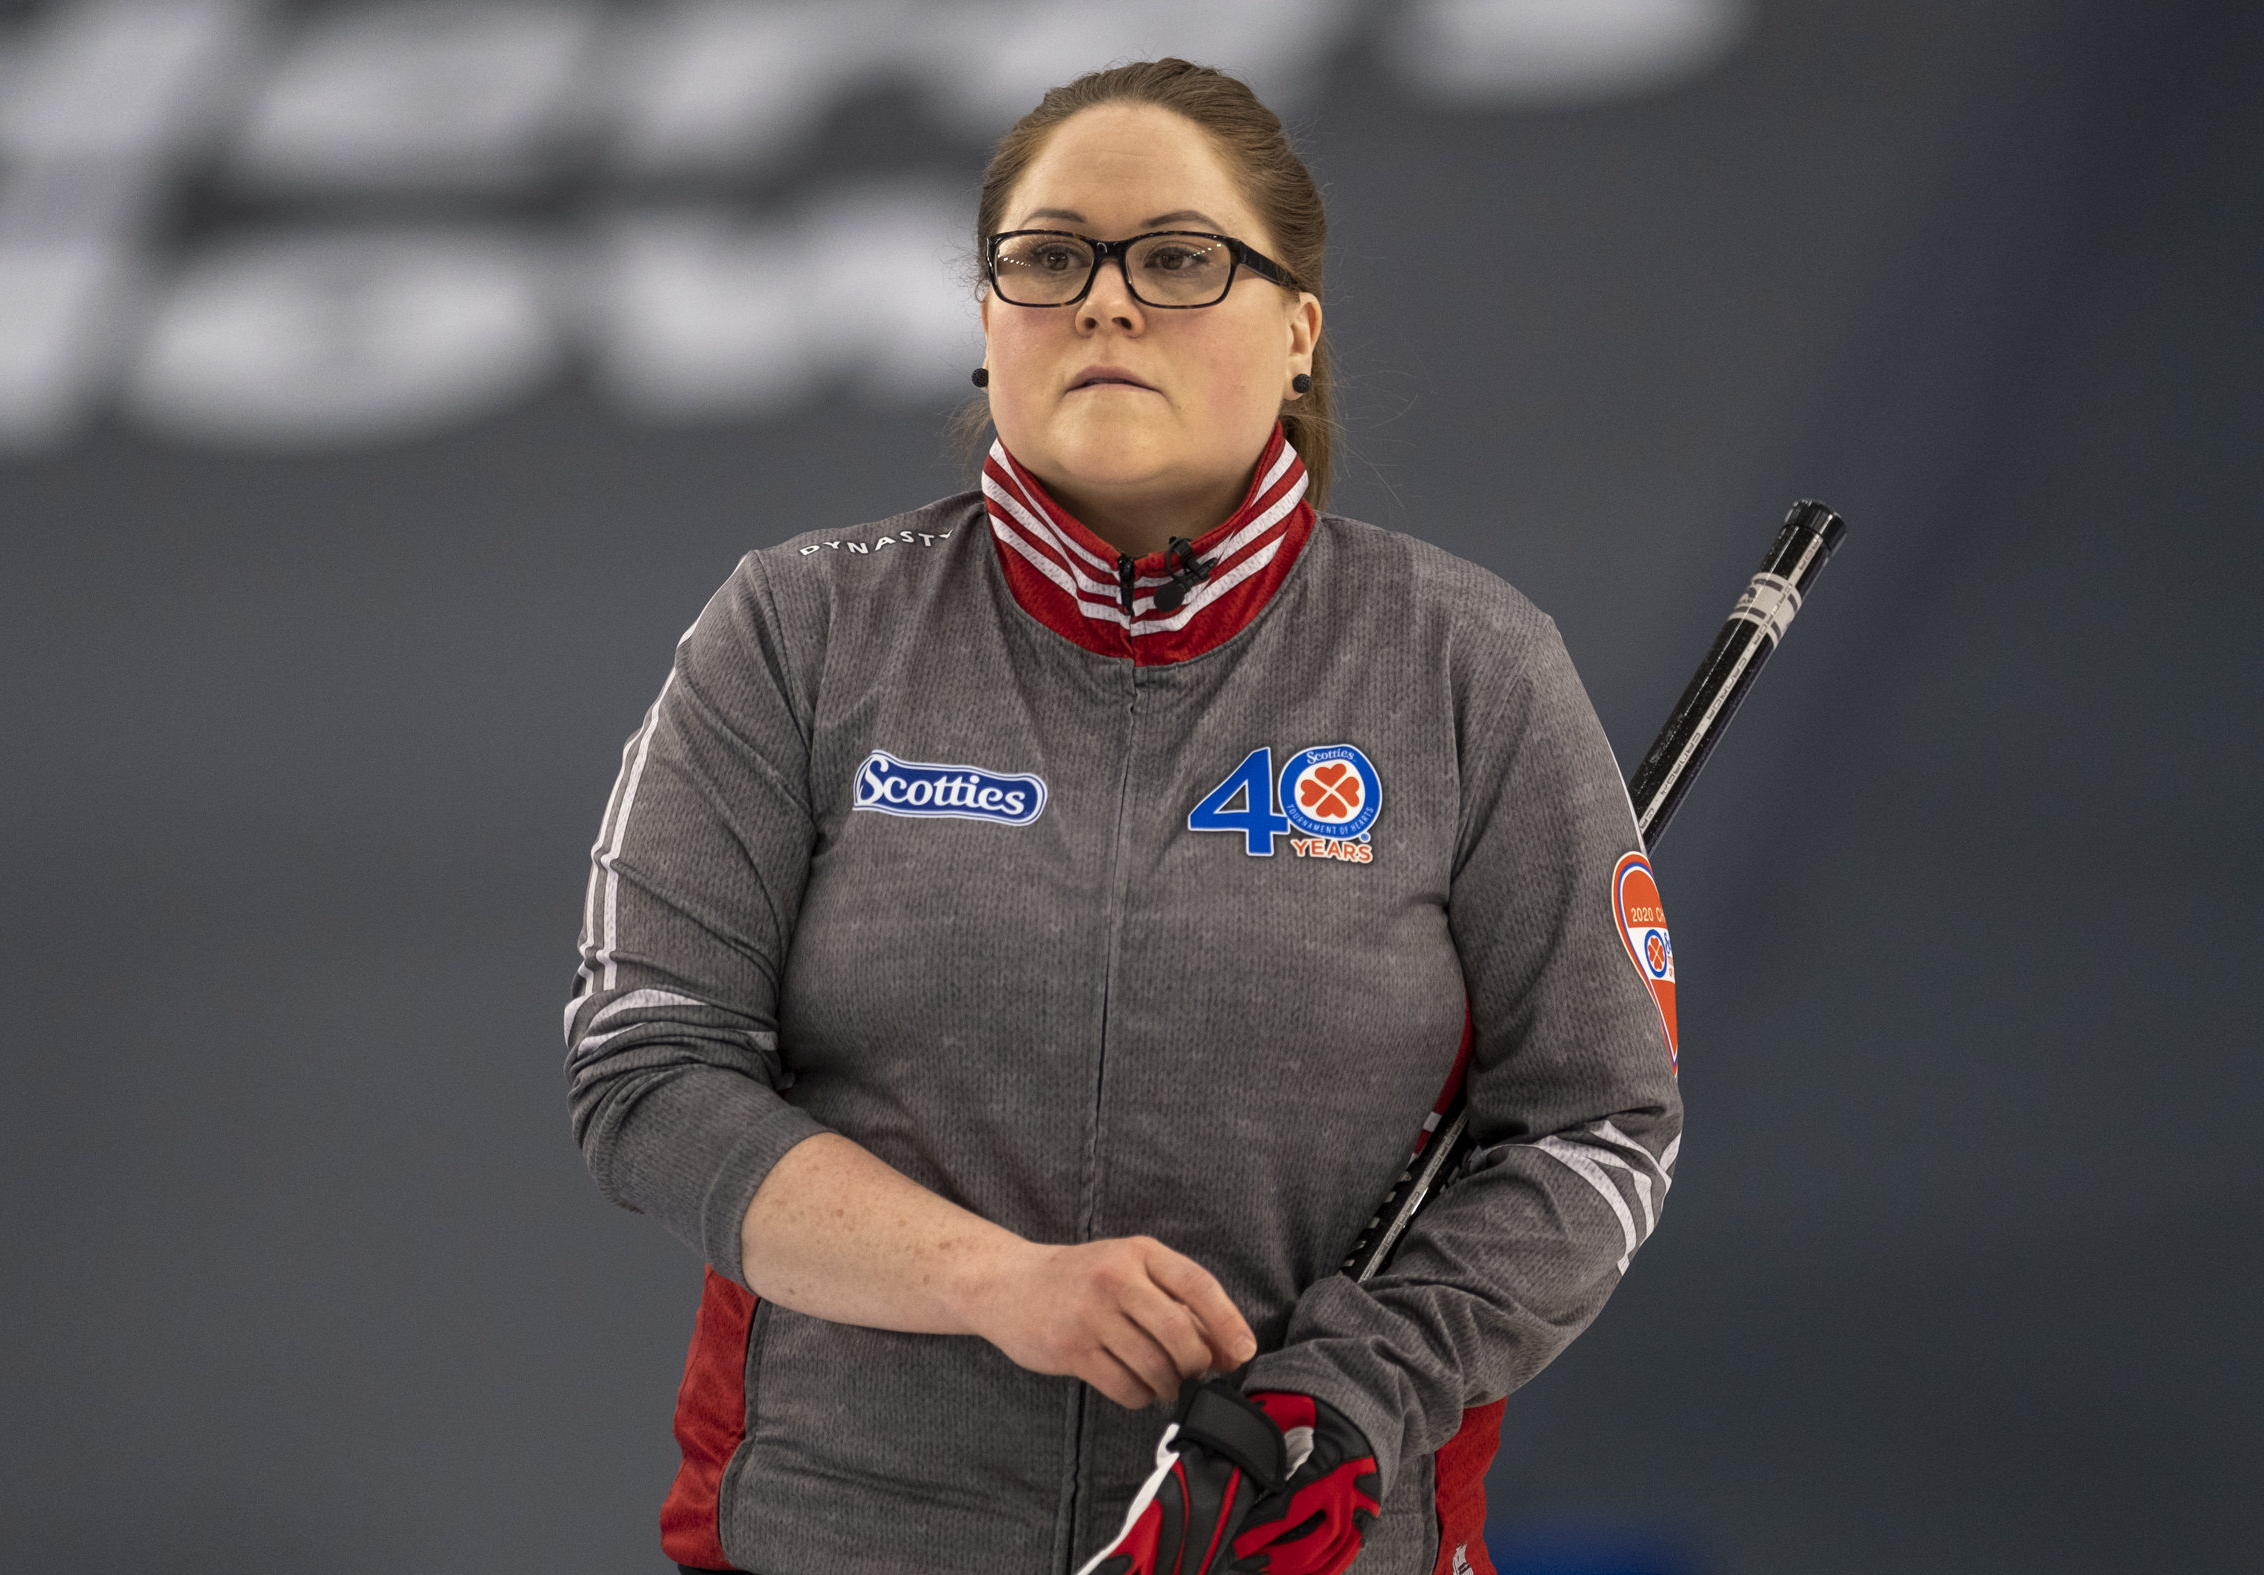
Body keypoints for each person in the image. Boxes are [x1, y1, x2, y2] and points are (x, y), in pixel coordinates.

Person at [566, 57, 1681, 1575]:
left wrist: (1351, 1400)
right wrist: (991, 1281)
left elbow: (1595, 1129)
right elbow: (647, 1070)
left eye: (1176, 257)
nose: (1103, 301)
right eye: (1046, 259)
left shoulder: (1467, 667)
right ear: (984, 324)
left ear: (1297, 331)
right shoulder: (799, 628)